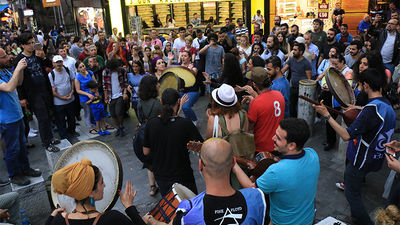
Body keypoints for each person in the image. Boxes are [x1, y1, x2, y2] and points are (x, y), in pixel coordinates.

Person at [313, 68, 396, 225]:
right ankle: (356, 218)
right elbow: (373, 113)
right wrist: (358, 108)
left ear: (365, 85)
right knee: (354, 190)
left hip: (362, 159)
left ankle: (364, 222)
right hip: (375, 157)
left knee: (352, 195)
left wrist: (327, 115)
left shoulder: (371, 110)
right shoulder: (386, 104)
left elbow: (345, 135)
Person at [144, 138, 268, 225]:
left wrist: (150, 221)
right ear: (233, 163)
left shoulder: (189, 211)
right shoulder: (257, 198)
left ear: (200, 165)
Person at [233, 118, 320, 225]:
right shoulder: (313, 155)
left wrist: (234, 165)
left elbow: (250, 187)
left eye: (278, 138)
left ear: (292, 145)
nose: (273, 138)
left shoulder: (276, 171)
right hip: (308, 219)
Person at [46, 158, 146, 225]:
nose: (104, 185)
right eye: (101, 182)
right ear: (90, 192)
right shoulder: (113, 219)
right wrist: (130, 208)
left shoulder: (59, 220)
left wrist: (51, 217)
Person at [143, 88, 204, 196]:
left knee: (169, 207)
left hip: (161, 176)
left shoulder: (151, 124)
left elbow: (146, 152)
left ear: (161, 102)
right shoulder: (185, 125)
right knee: (190, 206)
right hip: (183, 175)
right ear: (178, 102)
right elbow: (202, 148)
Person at [0, 48, 42, 186]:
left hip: (17, 115)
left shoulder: (5, 71)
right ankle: (14, 175)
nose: (7, 58)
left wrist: (21, 70)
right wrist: (17, 69)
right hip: (7, 120)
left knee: (22, 145)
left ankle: (25, 168)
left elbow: (18, 83)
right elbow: (9, 88)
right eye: (4, 57)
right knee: (12, 148)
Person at [15, 33, 60, 153]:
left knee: (49, 114)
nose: (31, 45)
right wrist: (22, 97)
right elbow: (19, 81)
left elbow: (50, 65)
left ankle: (50, 137)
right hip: (33, 93)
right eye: (28, 43)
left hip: (45, 88)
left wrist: (44, 56)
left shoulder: (36, 54)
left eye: (32, 42)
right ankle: (47, 142)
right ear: (22, 45)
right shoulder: (19, 59)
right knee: (42, 117)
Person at [243, 67, 285, 152]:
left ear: (254, 84)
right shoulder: (279, 95)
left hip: (262, 146)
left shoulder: (256, 102)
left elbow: (248, 127)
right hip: (279, 143)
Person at [318, 53, 353, 151]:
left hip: (339, 101)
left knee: (331, 120)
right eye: (332, 63)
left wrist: (331, 88)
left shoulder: (348, 72)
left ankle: (331, 142)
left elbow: (347, 86)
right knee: (328, 120)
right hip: (329, 97)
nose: (333, 66)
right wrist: (324, 85)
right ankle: (330, 140)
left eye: (336, 64)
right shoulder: (331, 69)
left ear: (342, 62)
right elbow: (325, 78)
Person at [137, 75, 161, 196]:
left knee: (149, 163)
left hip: (144, 134)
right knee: (159, 159)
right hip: (157, 134)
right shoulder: (157, 103)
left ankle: (152, 186)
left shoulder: (140, 102)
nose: (159, 85)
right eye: (157, 83)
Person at [49, 55, 77, 140]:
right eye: (57, 62)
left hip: (70, 99)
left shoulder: (68, 70)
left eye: (60, 62)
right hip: (59, 102)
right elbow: (52, 90)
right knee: (60, 120)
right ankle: (64, 135)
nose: (59, 64)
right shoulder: (51, 75)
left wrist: (72, 92)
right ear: (53, 63)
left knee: (71, 117)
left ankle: (72, 131)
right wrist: (62, 97)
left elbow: (72, 80)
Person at [281, 42, 312, 118]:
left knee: (301, 107)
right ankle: (294, 119)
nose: (293, 52)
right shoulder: (291, 60)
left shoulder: (306, 63)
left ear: (301, 52)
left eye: (295, 50)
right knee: (290, 105)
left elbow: (309, 79)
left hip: (302, 89)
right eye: (293, 50)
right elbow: (283, 70)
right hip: (293, 87)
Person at [102, 59, 129, 137]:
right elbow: (105, 86)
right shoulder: (105, 72)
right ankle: (119, 127)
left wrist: (124, 93)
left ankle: (121, 126)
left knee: (119, 112)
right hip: (111, 96)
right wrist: (106, 98)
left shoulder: (122, 70)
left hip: (120, 94)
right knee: (113, 114)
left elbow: (125, 83)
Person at [176, 50, 200, 125]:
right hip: (181, 90)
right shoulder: (178, 65)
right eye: (182, 56)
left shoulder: (194, 65)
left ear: (190, 57)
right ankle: (188, 121)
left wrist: (189, 69)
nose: (183, 57)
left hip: (192, 90)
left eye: (185, 56)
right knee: (178, 107)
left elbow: (194, 73)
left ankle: (194, 119)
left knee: (185, 107)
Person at [75, 61, 99, 134]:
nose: (83, 68)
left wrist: (96, 91)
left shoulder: (90, 73)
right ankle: (90, 128)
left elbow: (95, 83)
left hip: (93, 94)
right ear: (77, 69)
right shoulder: (77, 78)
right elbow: (78, 90)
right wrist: (87, 94)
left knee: (94, 110)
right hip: (84, 96)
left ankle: (95, 122)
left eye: (83, 66)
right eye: (80, 67)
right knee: (87, 112)